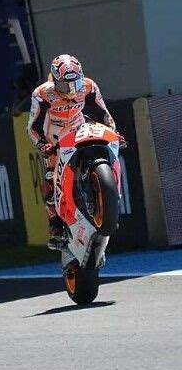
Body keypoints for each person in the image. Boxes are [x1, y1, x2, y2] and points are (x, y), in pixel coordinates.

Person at [27, 54, 117, 251]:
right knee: (51, 179)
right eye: (64, 86)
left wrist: (115, 132)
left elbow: (103, 113)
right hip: (55, 139)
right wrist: (43, 145)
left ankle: (106, 198)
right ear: (54, 80)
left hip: (80, 131)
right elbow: (32, 127)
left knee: (108, 149)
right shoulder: (42, 94)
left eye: (74, 83)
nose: (70, 90)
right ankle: (55, 227)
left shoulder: (88, 86)